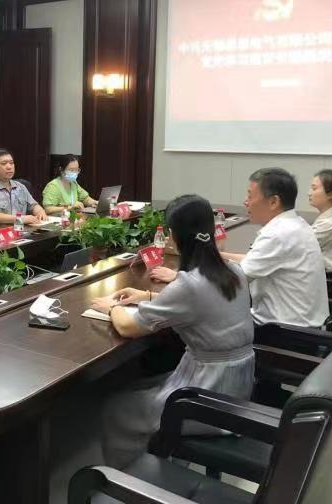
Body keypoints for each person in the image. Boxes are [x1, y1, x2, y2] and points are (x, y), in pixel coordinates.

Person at [90, 195, 254, 468]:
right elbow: (202, 301)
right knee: (140, 386)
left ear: (176, 237)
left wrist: (112, 307)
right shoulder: (233, 270)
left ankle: (127, 480)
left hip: (206, 393)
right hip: (237, 385)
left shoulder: (188, 285)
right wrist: (146, 296)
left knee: (116, 408)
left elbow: (128, 327)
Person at [221, 168, 328, 327]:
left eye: (250, 196)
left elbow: (235, 279)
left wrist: (185, 276)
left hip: (284, 332)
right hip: (302, 326)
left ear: (273, 202)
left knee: (203, 321)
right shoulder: (295, 224)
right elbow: (250, 261)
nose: (246, 202)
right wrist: (217, 254)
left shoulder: (278, 234)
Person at [0, 148, 47, 225]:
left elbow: (33, 205)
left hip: (22, 229)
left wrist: (40, 212)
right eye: (4, 163)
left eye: (11, 163)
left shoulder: (20, 187)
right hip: (1, 230)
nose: (9, 167)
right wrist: (21, 219)